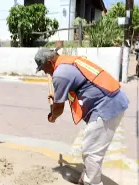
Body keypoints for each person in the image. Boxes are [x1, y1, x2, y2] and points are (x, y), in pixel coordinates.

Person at [34, 48, 130, 185]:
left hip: (106, 106)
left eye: (44, 68)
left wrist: (52, 117)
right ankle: (86, 178)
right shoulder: (68, 62)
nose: (45, 72)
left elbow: (58, 109)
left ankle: (92, 182)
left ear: (49, 62)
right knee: (91, 147)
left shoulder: (60, 74)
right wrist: (56, 97)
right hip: (112, 98)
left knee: (91, 150)